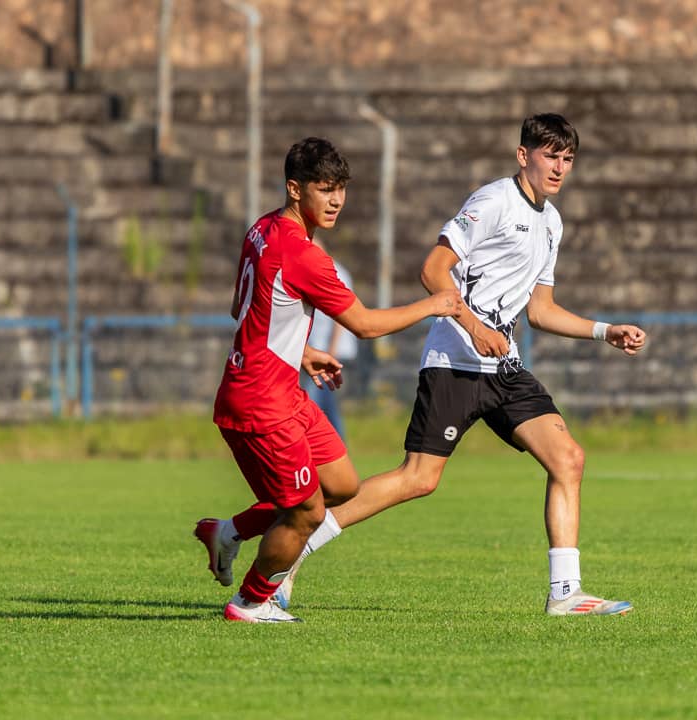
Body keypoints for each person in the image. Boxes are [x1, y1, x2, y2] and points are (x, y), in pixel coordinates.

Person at [274, 114, 647, 616]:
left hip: (504, 367)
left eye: (567, 158)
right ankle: (293, 550)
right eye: (550, 156)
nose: (559, 167)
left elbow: (540, 311)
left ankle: (565, 593)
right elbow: (433, 270)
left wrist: (605, 331)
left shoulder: (552, 223)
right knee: (418, 478)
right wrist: (474, 328)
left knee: (568, 459)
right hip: (454, 361)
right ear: (524, 156)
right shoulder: (493, 202)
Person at [193, 137, 462, 623]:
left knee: (341, 484)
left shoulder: (261, 229)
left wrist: (300, 352)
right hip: (261, 402)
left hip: (280, 387)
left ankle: (227, 532)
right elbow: (366, 325)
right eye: (324, 189)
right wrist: (435, 304)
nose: (336, 200)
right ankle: (251, 602)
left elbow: (243, 310)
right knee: (307, 512)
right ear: (295, 189)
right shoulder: (305, 255)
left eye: (341, 188)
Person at [301, 240, 358, 440]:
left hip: (332, 352)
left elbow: (341, 318)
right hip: (317, 350)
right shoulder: (309, 271)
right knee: (327, 405)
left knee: (312, 401)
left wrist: (331, 351)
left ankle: (317, 443)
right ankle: (336, 443)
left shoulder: (337, 273)